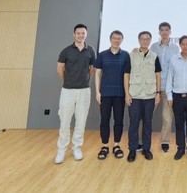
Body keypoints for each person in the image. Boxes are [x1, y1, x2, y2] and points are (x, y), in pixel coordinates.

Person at [54, 24, 96, 164]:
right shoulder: (66, 51)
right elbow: (59, 69)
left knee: (81, 121)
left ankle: (76, 148)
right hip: (68, 91)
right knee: (64, 122)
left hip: (84, 91)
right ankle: (61, 150)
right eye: (78, 33)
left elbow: (92, 69)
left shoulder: (91, 50)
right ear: (74, 34)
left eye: (83, 33)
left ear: (86, 34)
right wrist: (68, 82)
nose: (80, 35)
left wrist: (84, 79)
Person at [125, 31, 162, 162]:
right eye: (143, 39)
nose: (145, 41)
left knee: (147, 123)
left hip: (149, 95)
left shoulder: (154, 56)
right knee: (134, 124)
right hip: (134, 95)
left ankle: (146, 148)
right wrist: (127, 94)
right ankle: (132, 149)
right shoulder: (131, 55)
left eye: (147, 39)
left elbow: (158, 75)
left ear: (150, 41)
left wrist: (158, 93)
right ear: (139, 40)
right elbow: (126, 75)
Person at [94, 30, 131, 160]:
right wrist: (97, 92)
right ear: (110, 39)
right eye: (114, 38)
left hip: (120, 94)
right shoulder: (102, 55)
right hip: (105, 93)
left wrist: (127, 93)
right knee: (104, 120)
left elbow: (127, 75)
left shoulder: (125, 55)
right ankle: (104, 146)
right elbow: (98, 73)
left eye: (119, 38)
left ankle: (116, 145)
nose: (116, 40)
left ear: (122, 40)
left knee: (118, 120)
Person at [150, 22, 179, 152]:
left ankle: (165, 142)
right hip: (153, 87)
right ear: (159, 32)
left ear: (170, 32)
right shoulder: (153, 46)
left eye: (166, 30)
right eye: (162, 30)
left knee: (167, 118)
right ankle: (143, 141)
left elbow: (175, 68)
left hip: (168, 88)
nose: (164, 32)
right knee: (146, 116)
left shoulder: (175, 48)